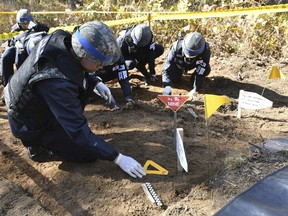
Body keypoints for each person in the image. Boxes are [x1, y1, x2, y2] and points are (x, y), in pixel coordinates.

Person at [3, 21, 146, 179]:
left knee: (80, 96)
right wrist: (117, 158)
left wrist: (95, 81)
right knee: (87, 154)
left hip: (37, 100)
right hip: (27, 121)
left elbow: (74, 65)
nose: (100, 67)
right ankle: (37, 147)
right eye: (98, 63)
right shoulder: (56, 84)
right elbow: (78, 130)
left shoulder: (63, 38)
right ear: (83, 54)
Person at [1, 9, 49, 87]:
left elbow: (46, 29)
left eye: (27, 23)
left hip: (30, 47)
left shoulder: (37, 26)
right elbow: (12, 40)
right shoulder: (15, 29)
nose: (25, 25)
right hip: (17, 46)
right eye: (23, 23)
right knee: (6, 56)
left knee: (20, 55)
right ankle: (7, 85)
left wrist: (35, 25)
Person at [162, 32, 211, 99]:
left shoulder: (206, 51)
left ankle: (192, 79)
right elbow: (167, 68)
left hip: (194, 64)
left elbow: (201, 70)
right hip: (179, 64)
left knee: (207, 70)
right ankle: (179, 73)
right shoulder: (176, 47)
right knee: (176, 80)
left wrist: (195, 89)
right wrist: (167, 85)